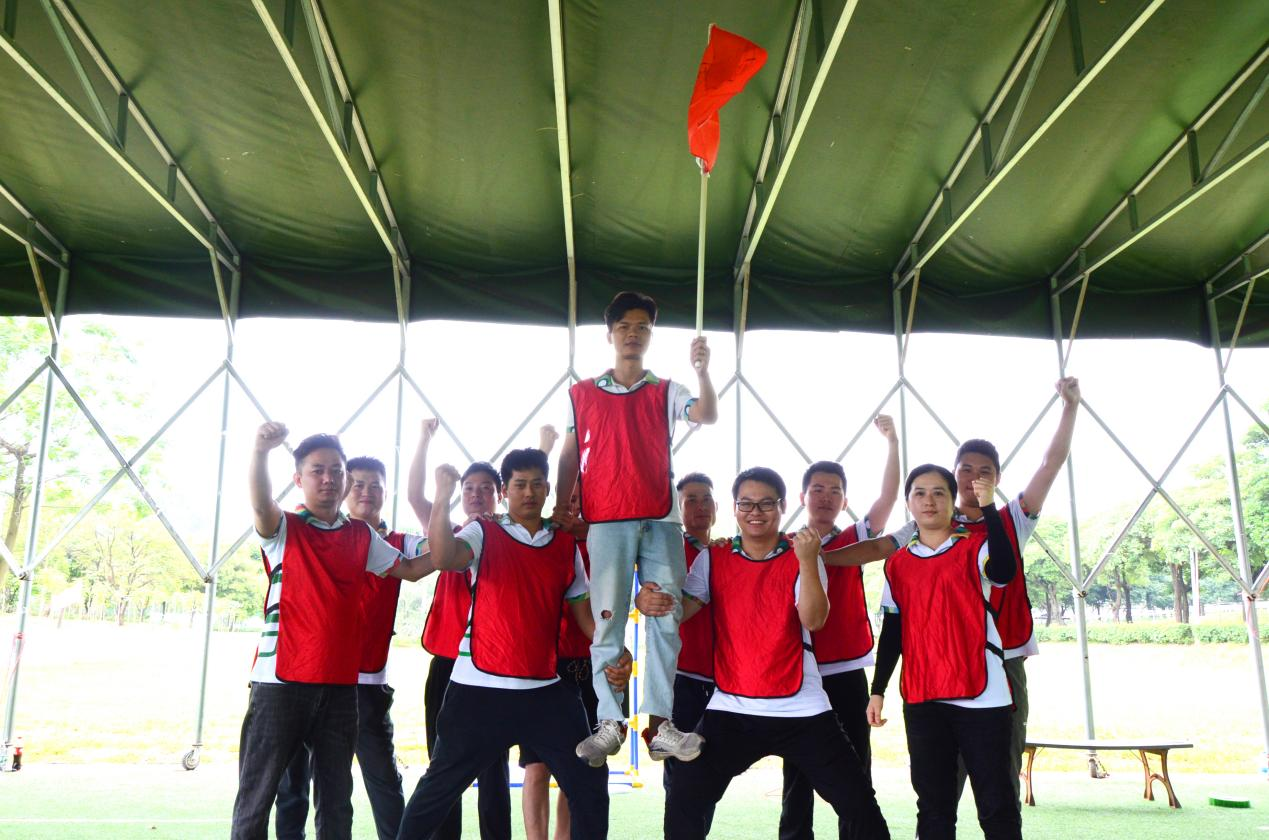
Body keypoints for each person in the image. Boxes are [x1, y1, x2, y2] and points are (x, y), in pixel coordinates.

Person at [640, 467, 890, 840]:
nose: (755, 512)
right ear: (735, 508)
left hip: (802, 709)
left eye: (766, 504)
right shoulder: (714, 557)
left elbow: (814, 619)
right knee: (685, 797)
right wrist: (650, 602)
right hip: (733, 708)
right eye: (746, 504)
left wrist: (807, 561)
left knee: (859, 805)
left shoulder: (803, 554)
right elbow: (682, 611)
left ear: (783, 506)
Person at [397, 450, 631, 840]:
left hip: (545, 691)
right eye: (520, 484)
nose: (529, 492)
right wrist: (441, 496)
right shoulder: (482, 531)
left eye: (537, 484)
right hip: (477, 690)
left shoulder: (564, 545)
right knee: (438, 789)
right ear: (505, 491)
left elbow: (585, 618)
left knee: (589, 781)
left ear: (548, 489)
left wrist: (616, 651)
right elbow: (444, 557)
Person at [230, 424, 431, 840]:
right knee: (257, 799)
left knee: (337, 804)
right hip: (280, 684)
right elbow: (261, 503)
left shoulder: (361, 535)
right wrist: (260, 451)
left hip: (341, 689)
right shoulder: (284, 528)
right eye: (317, 471)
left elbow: (412, 569)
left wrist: (464, 537)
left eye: (336, 471)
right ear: (298, 479)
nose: (328, 479)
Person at [553, 290, 718, 766]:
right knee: (608, 619)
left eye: (642, 327)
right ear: (610, 334)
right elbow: (569, 454)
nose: (633, 334)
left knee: (665, 615)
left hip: (661, 518)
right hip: (606, 520)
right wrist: (563, 505)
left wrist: (703, 370)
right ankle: (610, 720)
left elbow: (706, 414)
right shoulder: (582, 393)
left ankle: (659, 726)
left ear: (650, 335)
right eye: (624, 326)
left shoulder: (666, 389)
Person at [405, 420, 558, 839]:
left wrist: (544, 446)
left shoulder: (512, 537)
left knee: (493, 771)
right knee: (444, 769)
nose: (476, 494)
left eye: (485, 488)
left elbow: (532, 488)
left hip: (494, 670)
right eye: (468, 488)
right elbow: (415, 496)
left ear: (500, 494)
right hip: (449, 664)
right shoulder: (448, 533)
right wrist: (423, 439)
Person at [867, 464, 1021, 840]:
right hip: (924, 696)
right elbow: (893, 630)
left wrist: (989, 508)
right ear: (908, 502)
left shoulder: (976, 547)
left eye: (939, 492)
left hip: (983, 695)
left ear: (953, 501)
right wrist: (878, 689)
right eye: (919, 493)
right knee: (933, 805)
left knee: (996, 802)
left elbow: (1004, 571)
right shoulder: (897, 563)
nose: (929, 501)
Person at [951, 376, 1080, 805]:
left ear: (998, 478)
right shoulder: (930, 523)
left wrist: (1070, 407)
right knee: (942, 780)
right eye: (966, 469)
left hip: (1005, 659)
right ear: (953, 475)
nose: (974, 478)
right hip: (948, 661)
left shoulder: (1012, 519)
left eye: (984, 471)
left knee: (1002, 773)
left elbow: (1050, 464)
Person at [274, 456, 416, 840]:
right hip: (302, 678)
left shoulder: (396, 542)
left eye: (376, 485)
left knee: (378, 782)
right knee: (294, 785)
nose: (367, 492)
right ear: (345, 488)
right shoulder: (303, 531)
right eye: (359, 484)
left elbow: (435, 554)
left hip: (365, 686)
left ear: (386, 492)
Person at [780, 416, 900, 840]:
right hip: (800, 673)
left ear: (844, 500)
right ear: (803, 497)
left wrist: (892, 442)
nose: (826, 497)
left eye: (834, 491)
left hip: (847, 670)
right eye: (818, 489)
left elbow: (888, 496)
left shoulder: (854, 539)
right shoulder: (783, 545)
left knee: (854, 768)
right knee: (798, 771)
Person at [662, 472, 718, 833]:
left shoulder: (727, 553)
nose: (700, 507)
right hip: (682, 677)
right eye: (691, 500)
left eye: (706, 499)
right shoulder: (667, 552)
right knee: (681, 774)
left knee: (710, 771)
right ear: (679, 510)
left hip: (725, 683)